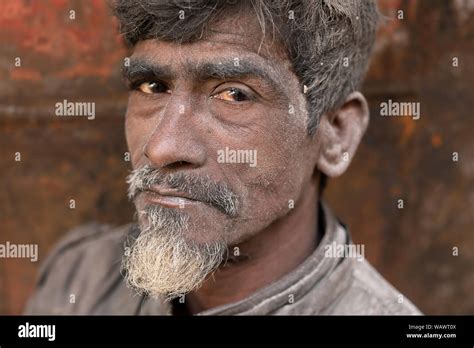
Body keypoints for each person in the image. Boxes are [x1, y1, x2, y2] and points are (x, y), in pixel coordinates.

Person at [25, 0, 421, 315]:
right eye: (152, 86)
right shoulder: (78, 277)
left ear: (336, 134)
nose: (162, 148)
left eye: (234, 94)